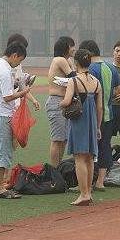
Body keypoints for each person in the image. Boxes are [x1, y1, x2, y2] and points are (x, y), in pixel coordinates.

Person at [0, 43, 32, 199]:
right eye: (19, 60)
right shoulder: (5, 70)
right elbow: (7, 97)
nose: (18, 64)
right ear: (14, 55)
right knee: (2, 150)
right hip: (2, 114)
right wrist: (23, 91)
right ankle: (0, 188)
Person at [79, 40, 120, 191]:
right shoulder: (111, 67)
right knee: (105, 146)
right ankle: (100, 182)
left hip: (91, 115)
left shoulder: (88, 69)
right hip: (108, 114)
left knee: (86, 149)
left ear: (87, 53)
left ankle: (85, 184)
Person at [60, 49, 102, 206]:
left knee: (79, 158)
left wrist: (60, 104)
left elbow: (66, 101)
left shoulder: (73, 81)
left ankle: (83, 193)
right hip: (91, 122)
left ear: (75, 63)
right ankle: (88, 192)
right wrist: (97, 127)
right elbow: (100, 108)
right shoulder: (96, 82)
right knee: (90, 158)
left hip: (79, 122)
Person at [46, 36, 76, 167]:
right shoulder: (60, 60)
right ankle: (54, 170)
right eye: (72, 46)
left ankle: (58, 168)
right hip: (56, 102)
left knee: (63, 139)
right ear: (66, 47)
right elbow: (74, 76)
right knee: (57, 139)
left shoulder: (67, 60)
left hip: (64, 102)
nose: (74, 49)